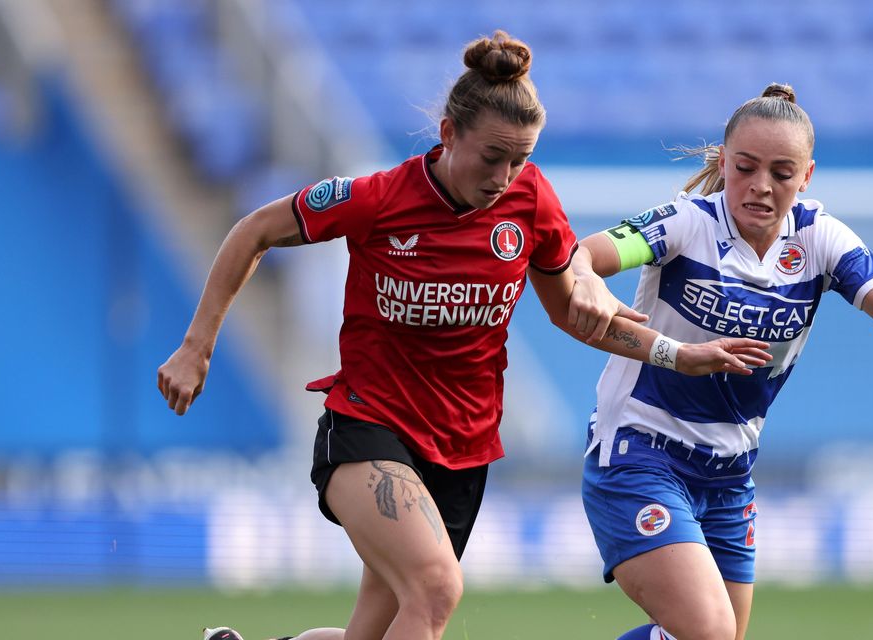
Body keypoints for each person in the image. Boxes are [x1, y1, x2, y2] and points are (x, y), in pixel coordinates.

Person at [158, 31, 770, 640]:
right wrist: (196, 345)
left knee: (376, 631)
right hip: (369, 426)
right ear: (449, 133)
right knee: (437, 590)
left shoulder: (530, 203)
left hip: (462, 448)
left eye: (521, 159)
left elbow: (572, 315)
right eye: (492, 156)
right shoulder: (378, 198)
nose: (505, 175)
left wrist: (676, 354)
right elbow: (254, 230)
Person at [571, 83, 873, 640]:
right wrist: (585, 282)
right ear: (723, 163)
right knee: (710, 633)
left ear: (808, 176)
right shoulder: (686, 223)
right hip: (639, 452)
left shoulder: (821, 237)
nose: (761, 187)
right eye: (745, 167)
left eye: (782, 172)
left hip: (729, 474)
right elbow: (583, 253)